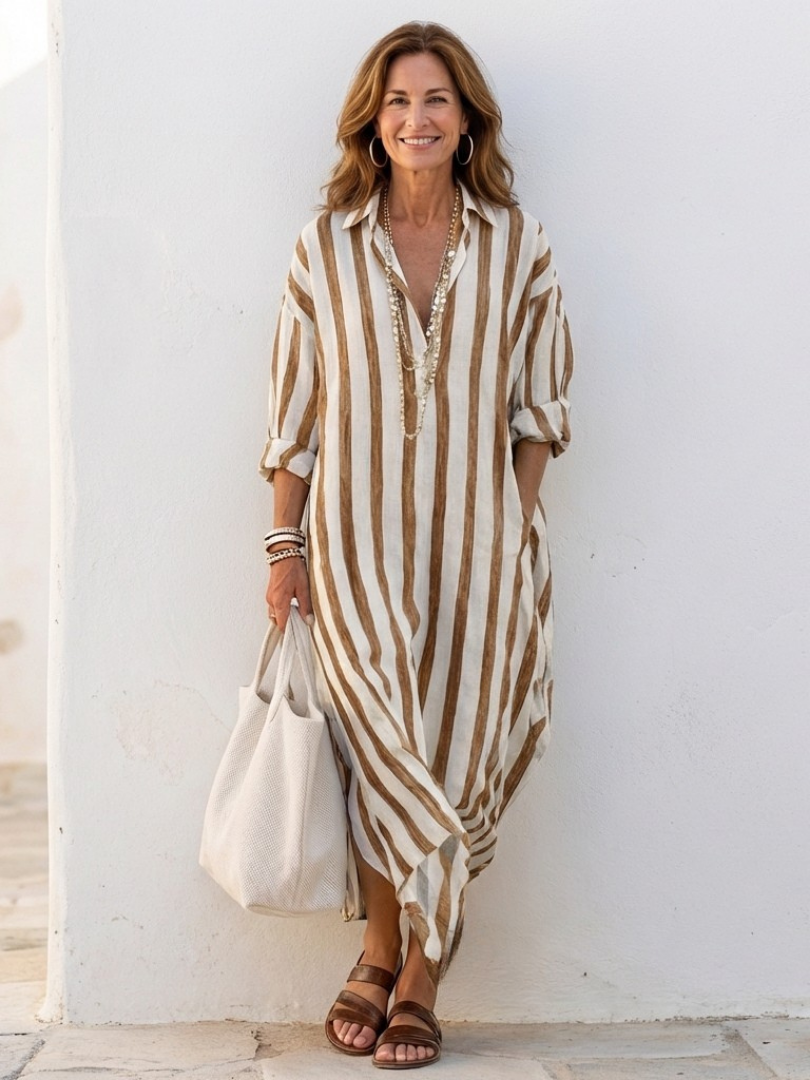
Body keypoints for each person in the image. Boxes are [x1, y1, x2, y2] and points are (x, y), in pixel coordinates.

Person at [258, 21, 574, 1070]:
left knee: (455, 746)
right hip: (351, 547)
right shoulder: (325, 247)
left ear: (467, 118)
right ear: (373, 121)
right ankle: (384, 950)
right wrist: (283, 545)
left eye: (436, 99)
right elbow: (294, 416)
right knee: (382, 748)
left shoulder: (518, 245)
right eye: (397, 101)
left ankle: (419, 971)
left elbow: (541, 410)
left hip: (482, 550)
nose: (416, 118)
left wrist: (510, 528)